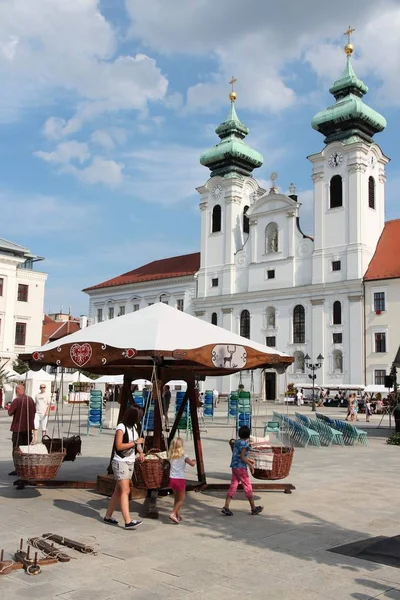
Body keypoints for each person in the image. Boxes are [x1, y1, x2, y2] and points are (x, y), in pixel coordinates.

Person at [104, 407, 145, 529]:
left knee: (118, 491)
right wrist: (135, 443)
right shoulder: (121, 427)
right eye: (138, 418)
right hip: (120, 462)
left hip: (130, 461)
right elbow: (119, 446)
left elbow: (137, 443)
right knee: (125, 490)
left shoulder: (135, 427)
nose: (139, 420)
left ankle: (107, 516)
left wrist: (141, 451)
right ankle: (128, 521)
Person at [221, 425, 263, 516]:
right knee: (247, 486)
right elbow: (242, 457)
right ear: (248, 435)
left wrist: (248, 460)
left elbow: (238, 455)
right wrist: (250, 465)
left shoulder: (237, 442)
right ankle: (253, 508)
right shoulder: (245, 444)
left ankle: (226, 506)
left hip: (234, 467)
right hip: (241, 468)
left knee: (233, 486)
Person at [8, 384, 36, 476]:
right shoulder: (30, 400)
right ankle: (26, 468)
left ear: (19, 390)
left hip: (18, 428)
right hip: (28, 428)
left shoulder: (17, 400)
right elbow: (34, 411)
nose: (16, 391)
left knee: (16, 449)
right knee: (26, 449)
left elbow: (10, 412)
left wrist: (9, 407)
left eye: (17, 389)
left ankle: (18, 469)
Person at [167, 437, 196, 524]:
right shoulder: (184, 456)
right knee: (181, 499)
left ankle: (177, 515)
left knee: (176, 497)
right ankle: (172, 514)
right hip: (180, 479)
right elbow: (192, 464)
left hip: (172, 479)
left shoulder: (170, 456)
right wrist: (194, 460)